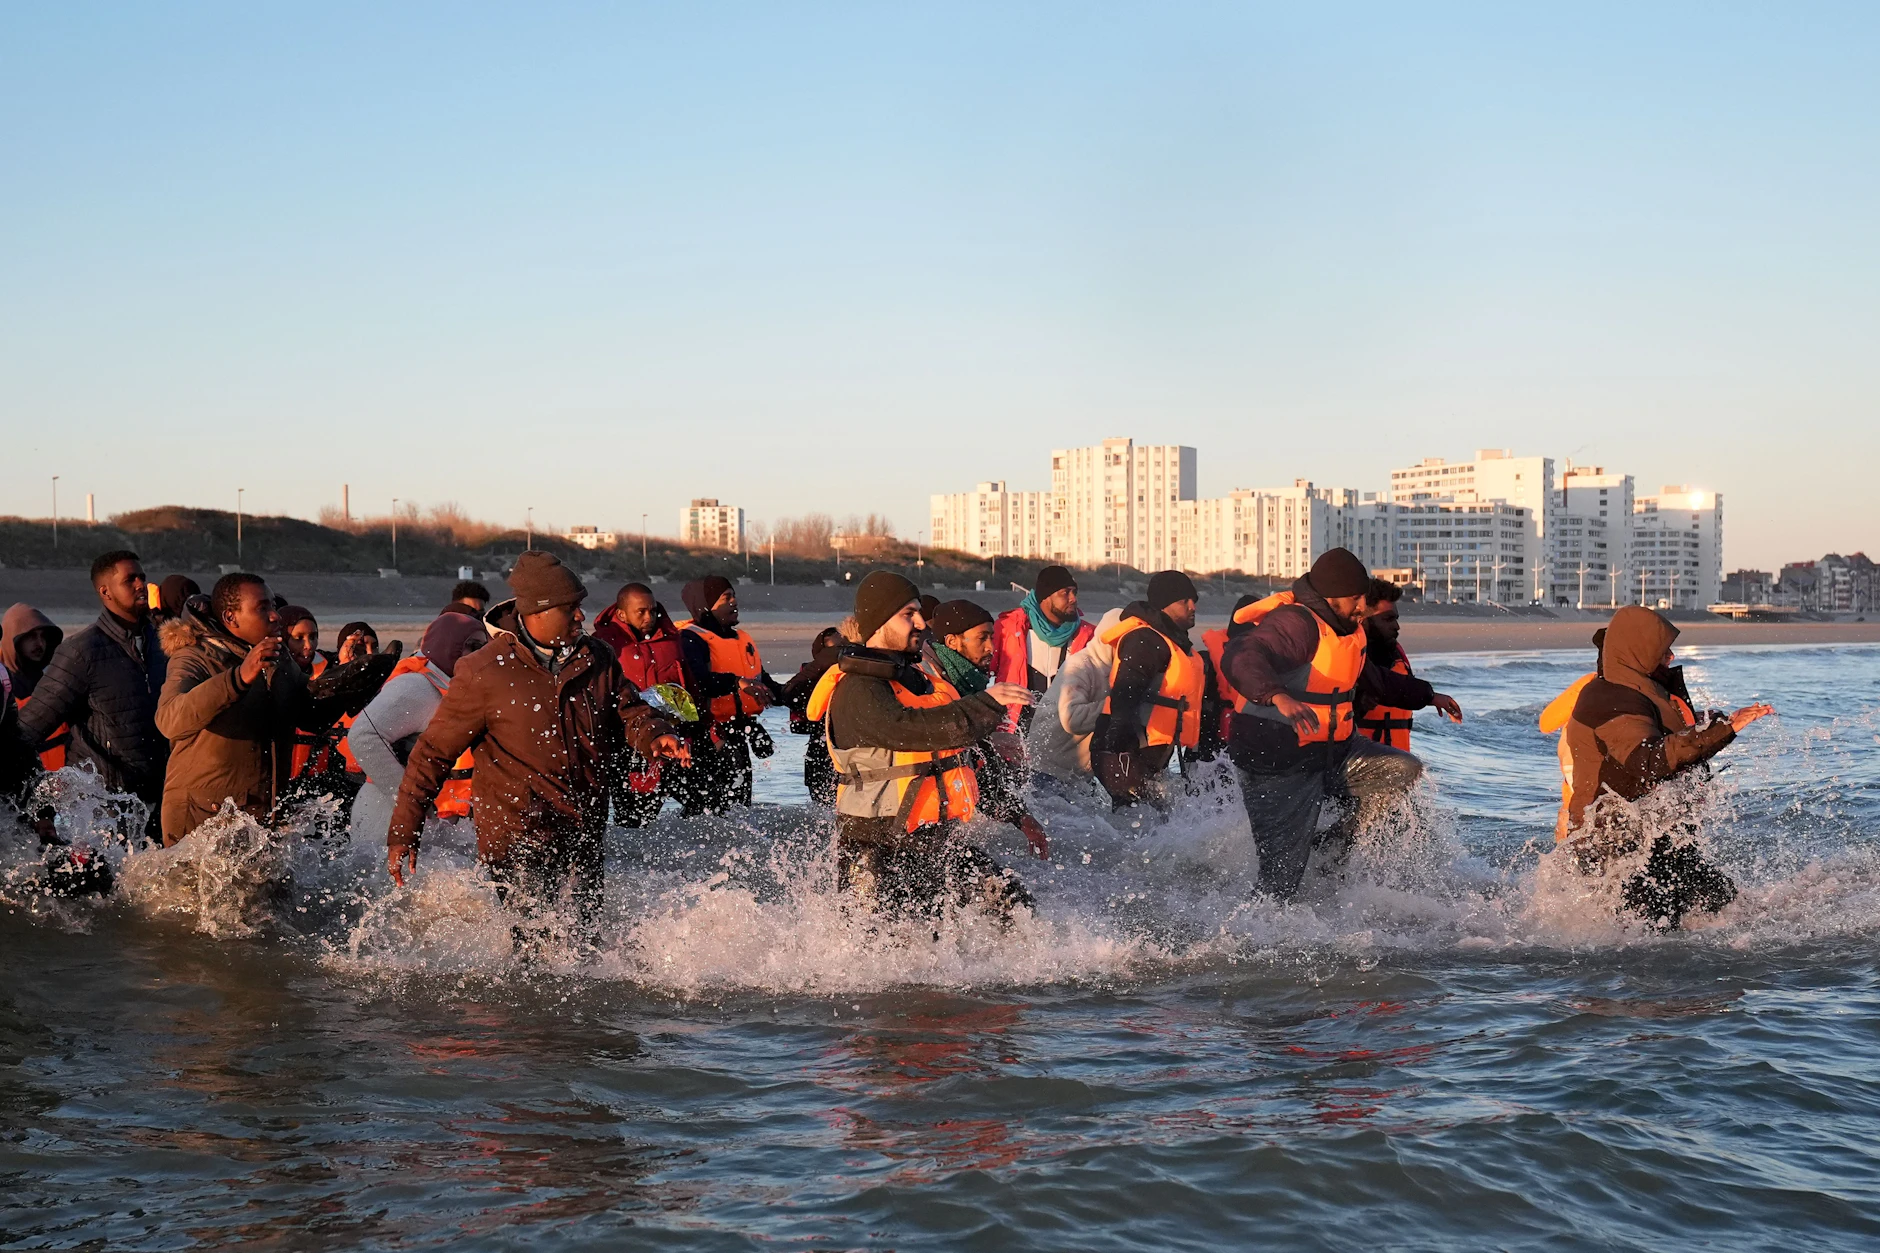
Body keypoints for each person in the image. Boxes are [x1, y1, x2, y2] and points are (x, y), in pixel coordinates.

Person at [387, 552, 689, 949]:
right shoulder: (485, 670)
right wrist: (405, 831)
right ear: (539, 612)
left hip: (582, 827)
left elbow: (629, 710)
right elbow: (433, 753)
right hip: (516, 835)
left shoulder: (596, 657)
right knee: (535, 952)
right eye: (571, 608)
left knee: (584, 946)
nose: (582, 617)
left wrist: (654, 734)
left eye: (580, 606)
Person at [805, 572, 1037, 919]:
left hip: (934, 842)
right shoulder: (859, 688)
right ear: (879, 622)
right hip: (874, 848)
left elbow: (958, 760)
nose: (920, 622)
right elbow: (910, 731)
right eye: (907, 615)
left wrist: (1017, 815)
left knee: (1019, 914)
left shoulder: (920, 682)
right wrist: (987, 703)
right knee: (885, 959)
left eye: (917, 612)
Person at [1218, 549, 1436, 901]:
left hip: (1334, 750)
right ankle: (1253, 941)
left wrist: (1428, 696)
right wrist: (1277, 695)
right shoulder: (1296, 623)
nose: (1363, 606)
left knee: (1401, 769)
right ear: (1332, 596)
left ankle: (1328, 849)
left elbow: (1375, 680)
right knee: (1281, 880)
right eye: (1356, 598)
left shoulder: (1348, 632)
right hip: (1277, 756)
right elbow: (1244, 655)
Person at [1559, 605, 1771, 930]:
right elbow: (1650, 761)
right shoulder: (1609, 698)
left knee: (1731, 911)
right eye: (1662, 650)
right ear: (1639, 651)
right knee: (1655, 945)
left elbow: (1664, 731)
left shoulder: (1637, 687)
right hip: (1615, 847)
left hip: (1653, 837)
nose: (1670, 656)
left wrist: (1717, 721)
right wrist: (1723, 730)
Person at [12, 551, 170, 841]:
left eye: (143, 578)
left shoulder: (161, 645)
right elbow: (27, 731)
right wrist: (36, 807)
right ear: (105, 591)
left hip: (158, 805)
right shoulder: (82, 652)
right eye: (130, 579)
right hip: (102, 812)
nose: (140, 585)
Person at [155, 572, 309, 844]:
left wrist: (352, 684)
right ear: (231, 618)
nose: (275, 616)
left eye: (273, 605)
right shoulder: (195, 656)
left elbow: (309, 714)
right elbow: (170, 719)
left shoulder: (278, 658)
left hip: (259, 816)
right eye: (263, 608)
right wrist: (238, 677)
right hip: (201, 821)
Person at [345, 609, 487, 846]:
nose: (480, 656)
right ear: (447, 646)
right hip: (385, 816)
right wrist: (409, 803)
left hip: (424, 819)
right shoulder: (416, 687)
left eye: (484, 648)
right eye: (473, 646)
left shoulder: (455, 689)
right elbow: (363, 737)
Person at [928, 598, 1050, 857]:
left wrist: (1021, 818)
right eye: (982, 638)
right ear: (952, 642)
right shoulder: (931, 683)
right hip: (904, 826)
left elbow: (980, 769)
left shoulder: (963, 682)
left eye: (992, 638)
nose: (992, 648)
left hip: (933, 824)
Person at [1091, 572, 1205, 810]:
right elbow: (1126, 690)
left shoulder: (1171, 641)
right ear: (1165, 604)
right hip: (1125, 750)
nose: (1193, 606)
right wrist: (1118, 746)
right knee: (1134, 825)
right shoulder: (1146, 639)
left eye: (1193, 599)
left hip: (1150, 753)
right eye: (1184, 601)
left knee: (1155, 824)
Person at [673, 576, 783, 815]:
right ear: (706, 605)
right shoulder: (690, 639)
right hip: (705, 738)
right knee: (708, 810)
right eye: (726, 597)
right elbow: (699, 683)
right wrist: (737, 682)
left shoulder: (741, 639)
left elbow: (768, 687)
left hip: (739, 733)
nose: (734, 602)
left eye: (734, 596)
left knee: (740, 810)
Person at [591, 582, 698, 826]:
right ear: (621, 614)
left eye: (653, 610)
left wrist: (701, 732)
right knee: (631, 819)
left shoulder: (671, 641)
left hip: (672, 740)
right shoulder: (602, 645)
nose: (649, 617)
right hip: (627, 744)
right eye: (641, 611)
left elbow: (691, 690)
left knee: (699, 807)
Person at [1352, 579, 1463, 750]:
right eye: (1387, 619)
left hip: (1395, 760)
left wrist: (1431, 698)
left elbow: (1399, 689)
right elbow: (1385, 686)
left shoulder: (1395, 652)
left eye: (1395, 619)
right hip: (1361, 761)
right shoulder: (1353, 658)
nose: (1396, 626)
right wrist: (1430, 696)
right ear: (1362, 619)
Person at [1024, 607, 1128, 784]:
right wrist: (1117, 705)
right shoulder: (1080, 665)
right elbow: (1072, 718)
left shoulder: (1118, 672)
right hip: (1047, 771)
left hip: (1079, 776)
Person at [989, 565, 1095, 732]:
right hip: (1014, 731)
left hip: (1066, 735)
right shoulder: (1007, 628)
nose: (1073, 598)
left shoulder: (1088, 635)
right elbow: (982, 674)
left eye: (1074, 592)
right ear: (1045, 597)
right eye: (1065, 593)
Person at [780, 626, 844, 805]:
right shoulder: (808, 677)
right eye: (832, 651)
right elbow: (787, 695)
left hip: (846, 754)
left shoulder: (856, 676)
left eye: (842, 649)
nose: (837, 656)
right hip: (819, 751)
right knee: (822, 807)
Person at [3, 604, 69, 772]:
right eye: (31, 636)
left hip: (62, 787)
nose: (40, 643)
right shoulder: (3, 691)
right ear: (14, 640)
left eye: (43, 637)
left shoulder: (54, 682)